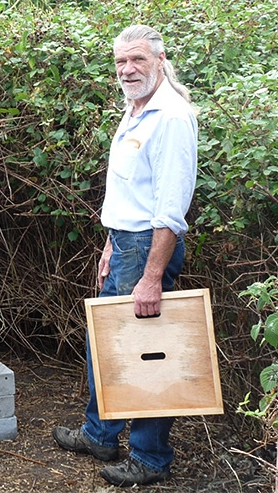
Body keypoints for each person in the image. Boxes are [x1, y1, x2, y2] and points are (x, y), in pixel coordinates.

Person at [53, 24, 198, 487]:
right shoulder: (135, 109)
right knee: (109, 345)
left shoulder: (170, 117)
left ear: (159, 59)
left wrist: (151, 276)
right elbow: (129, 191)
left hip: (146, 249)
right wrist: (110, 245)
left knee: (145, 354)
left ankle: (151, 459)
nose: (127, 69)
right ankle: (101, 434)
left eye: (137, 59)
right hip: (124, 243)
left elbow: (170, 211)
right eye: (120, 62)